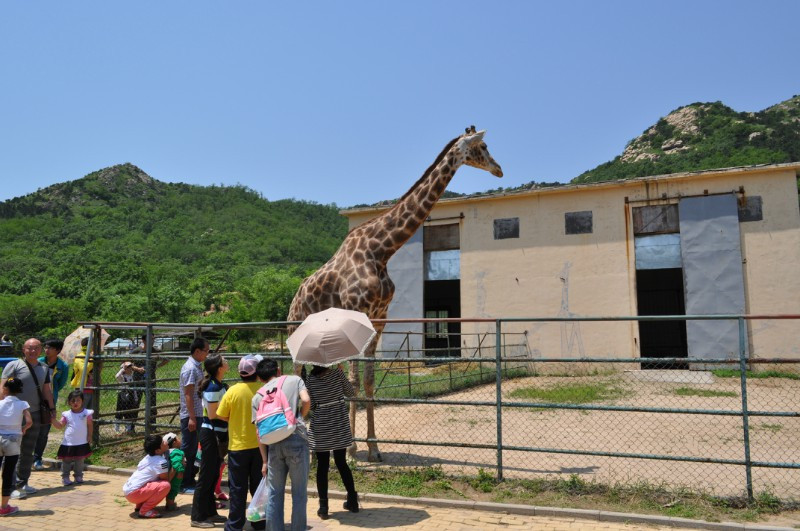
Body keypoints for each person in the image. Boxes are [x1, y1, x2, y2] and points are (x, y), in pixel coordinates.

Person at [253, 358, 311, 531]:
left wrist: (264, 461)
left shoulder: (257, 396)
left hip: (273, 445)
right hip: (296, 439)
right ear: (278, 371)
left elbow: (258, 432)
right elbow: (306, 400)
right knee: (299, 493)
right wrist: (298, 417)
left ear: (260, 378)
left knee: (274, 494)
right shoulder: (294, 380)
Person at [215, 355, 266, 531]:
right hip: (260, 447)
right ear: (257, 372)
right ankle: (259, 523)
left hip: (237, 447)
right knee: (258, 486)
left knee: (237, 488)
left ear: (240, 372)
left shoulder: (232, 391)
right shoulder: (263, 390)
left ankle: (235, 525)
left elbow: (221, 414)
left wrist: (235, 417)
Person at [0, 338, 55, 499]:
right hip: (14, 414)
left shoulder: (44, 368)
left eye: (36, 348)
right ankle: (10, 486)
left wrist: (52, 409)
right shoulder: (14, 365)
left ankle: (22, 482)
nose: (33, 351)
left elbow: (46, 390)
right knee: (12, 451)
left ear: (40, 350)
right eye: (29, 348)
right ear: (23, 349)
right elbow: (3, 388)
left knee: (28, 450)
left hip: (35, 413)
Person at [305, 363, 359, 517]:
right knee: (341, 462)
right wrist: (341, 374)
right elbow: (351, 393)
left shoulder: (310, 379)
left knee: (322, 466)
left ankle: (323, 507)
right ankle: (353, 501)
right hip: (339, 422)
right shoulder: (337, 374)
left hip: (321, 425)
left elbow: (312, 405)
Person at [190, 353, 230, 528]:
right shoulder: (213, 387)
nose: (226, 361)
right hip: (211, 434)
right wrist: (234, 417)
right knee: (206, 476)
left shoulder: (218, 385)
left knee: (213, 474)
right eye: (223, 360)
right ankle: (197, 517)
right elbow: (213, 414)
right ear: (219, 368)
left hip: (217, 435)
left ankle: (210, 512)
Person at [179, 337, 209, 494]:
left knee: (193, 449)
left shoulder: (196, 366)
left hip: (196, 413)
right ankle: (183, 482)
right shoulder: (190, 368)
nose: (207, 354)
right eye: (206, 351)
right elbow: (188, 394)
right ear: (197, 351)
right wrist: (191, 417)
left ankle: (189, 479)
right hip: (191, 414)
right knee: (188, 449)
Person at [33, 339, 69, 470]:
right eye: (46, 347)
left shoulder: (63, 366)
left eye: (50, 348)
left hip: (49, 402)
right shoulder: (38, 362)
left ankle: (37, 458)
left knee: (43, 432)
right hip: (33, 399)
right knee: (30, 429)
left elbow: (61, 384)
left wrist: (50, 393)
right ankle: (24, 457)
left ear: (57, 350)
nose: (46, 350)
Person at [0, 378, 33, 517]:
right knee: (8, 473)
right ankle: (4, 507)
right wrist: (23, 429)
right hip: (13, 441)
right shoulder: (22, 404)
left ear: (5, 389)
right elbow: (29, 421)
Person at [122, 434, 174, 519]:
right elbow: (166, 479)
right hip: (134, 494)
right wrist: (175, 469)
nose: (165, 442)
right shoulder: (161, 462)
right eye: (162, 443)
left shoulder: (147, 457)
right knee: (165, 485)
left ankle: (140, 505)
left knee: (151, 482)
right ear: (158, 450)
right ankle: (145, 510)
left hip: (128, 491)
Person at [49, 390, 93, 486]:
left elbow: (90, 425)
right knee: (66, 461)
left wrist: (89, 435)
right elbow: (60, 425)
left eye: (78, 400)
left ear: (82, 401)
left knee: (80, 460)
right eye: (73, 401)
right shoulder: (66, 414)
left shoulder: (86, 413)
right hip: (68, 443)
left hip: (82, 442)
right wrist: (53, 420)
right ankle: (65, 477)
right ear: (69, 402)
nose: (75, 403)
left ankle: (78, 476)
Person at [130, 335, 167, 428]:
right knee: (135, 403)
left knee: (152, 403)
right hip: (138, 380)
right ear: (143, 340)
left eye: (153, 339)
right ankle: (131, 427)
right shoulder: (137, 351)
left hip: (151, 380)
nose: (152, 341)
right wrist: (137, 369)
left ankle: (152, 426)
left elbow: (167, 359)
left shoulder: (156, 351)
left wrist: (157, 366)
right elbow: (126, 363)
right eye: (150, 339)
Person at [114, 361, 143, 433]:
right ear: (124, 369)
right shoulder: (122, 377)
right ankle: (117, 429)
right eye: (128, 367)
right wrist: (122, 369)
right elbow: (117, 376)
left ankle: (128, 429)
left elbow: (134, 388)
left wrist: (136, 397)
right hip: (122, 397)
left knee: (129, 413)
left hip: (130, 397)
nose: (130, 369)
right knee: (119, 413)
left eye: (130, 367)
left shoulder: (131, 376)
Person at [162, 432, 184, 511]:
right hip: (176, 475)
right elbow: (176, 463)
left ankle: (169, 504)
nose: (180, 439)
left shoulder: (167, 452)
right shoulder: (176, 452)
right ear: (174, 442)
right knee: (173, 490)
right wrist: (180, 472)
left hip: (168, 473)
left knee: (170, 490)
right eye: (178, 438)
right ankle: (170, 505)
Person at [70, 338, 94, 407]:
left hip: (93, 388)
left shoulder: (92, 355)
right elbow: (84, 370)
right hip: (82, 389)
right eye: (93, 344)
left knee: (92, 411)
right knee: (82, 410)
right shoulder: (80, 357)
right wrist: (92, 359)